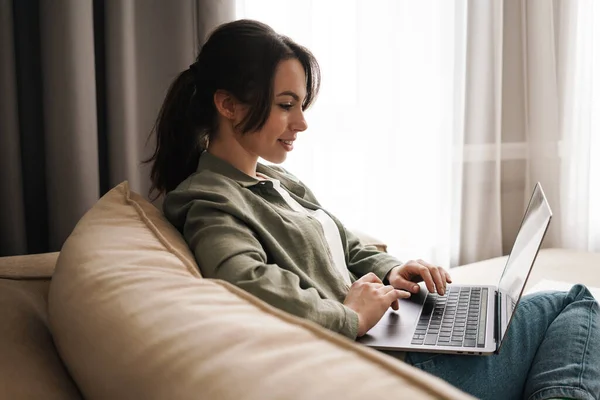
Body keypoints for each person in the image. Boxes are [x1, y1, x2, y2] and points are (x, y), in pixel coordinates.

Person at [145, 19, 599, 400]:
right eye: (286, 105)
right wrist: (350, 316)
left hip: (390, 336)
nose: (301, 122)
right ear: (227, 104)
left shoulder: (275, 179)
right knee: (576, 302)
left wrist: (395, 270)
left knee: (551, 312)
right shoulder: (209, 200)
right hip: (383, 366)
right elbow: (245, 283)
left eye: (301, 105)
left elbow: (342, 242)